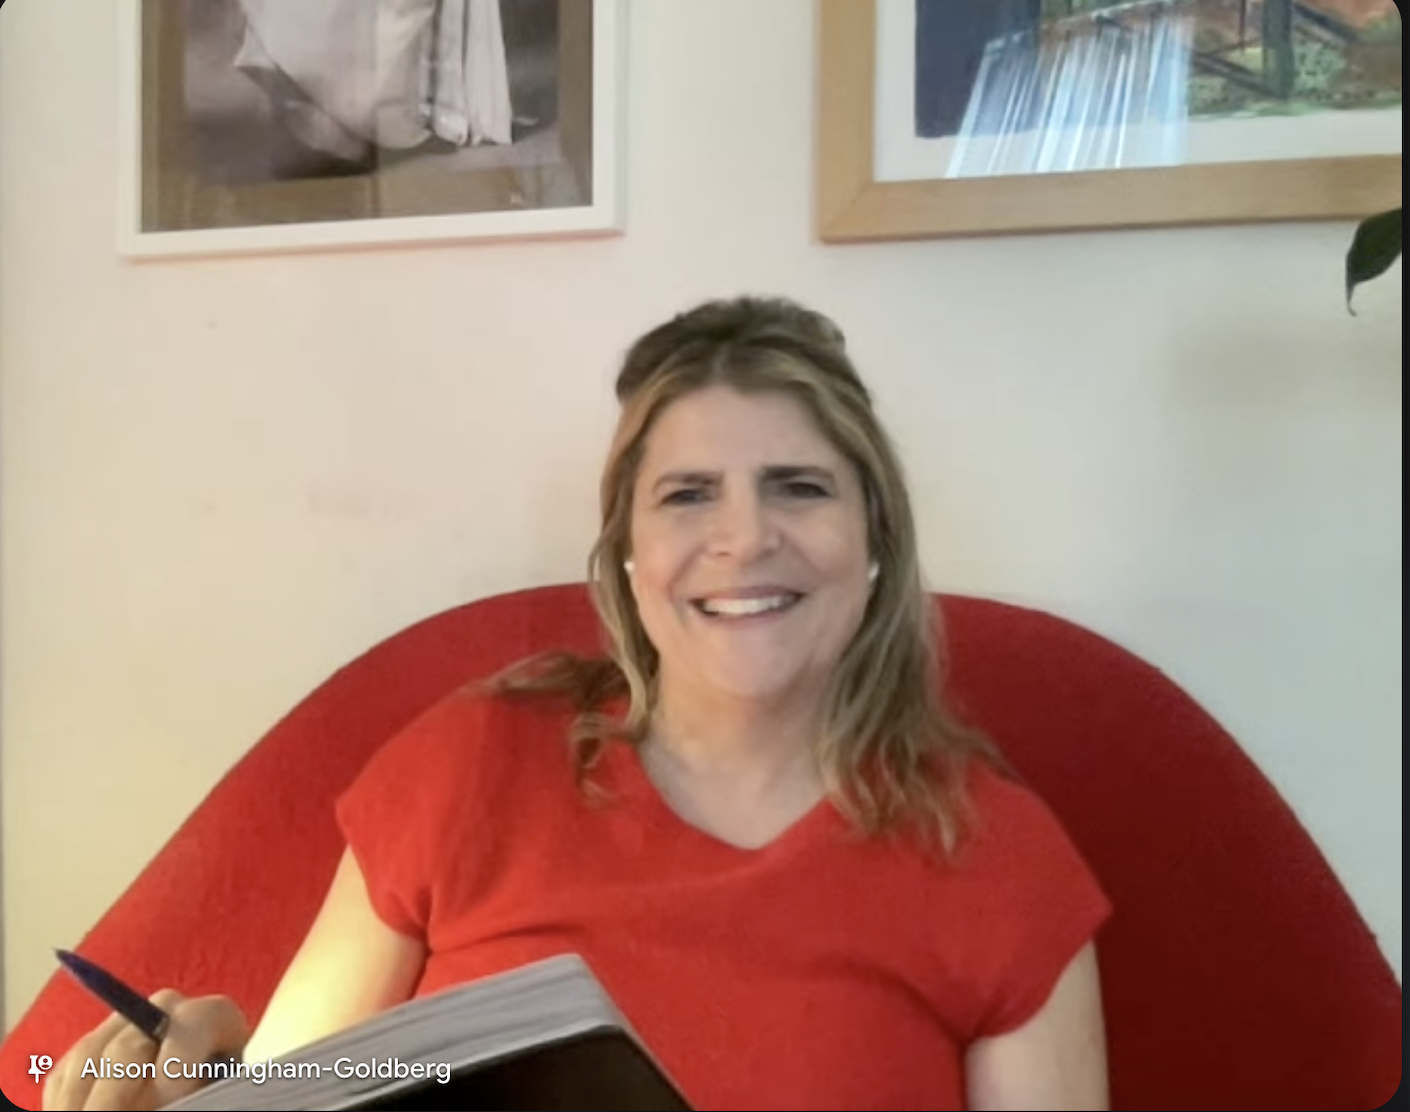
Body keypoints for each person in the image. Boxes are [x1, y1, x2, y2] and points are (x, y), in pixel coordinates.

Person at [44, 297, 1111, 1111]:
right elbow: (295, 1089)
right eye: (687, 494)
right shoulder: (470, 764)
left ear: (875, 543)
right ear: (629, 558)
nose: (745, 538)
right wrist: (201, 1089)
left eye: (800, 485)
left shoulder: (997, 855)